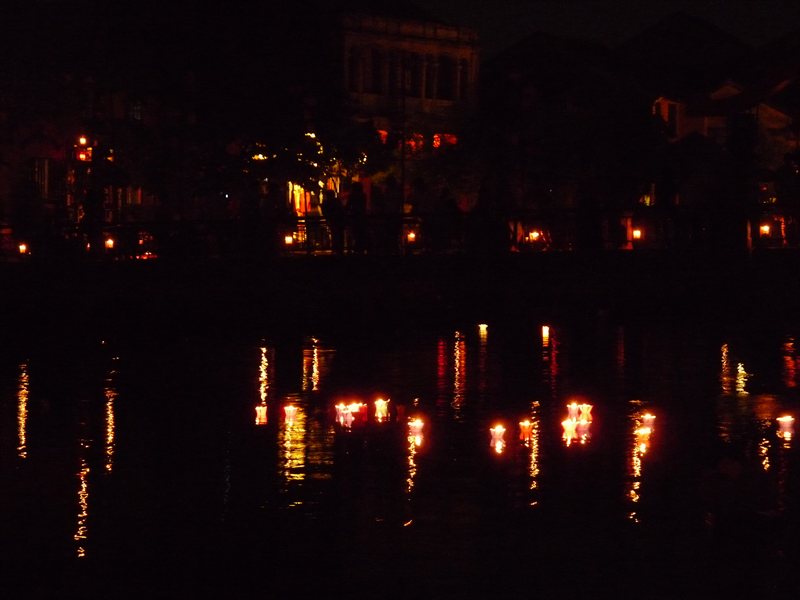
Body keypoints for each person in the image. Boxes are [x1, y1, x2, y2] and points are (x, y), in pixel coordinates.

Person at [321, 189, 345, 254]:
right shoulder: (337, 201)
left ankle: (335, 248)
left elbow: (324, 212)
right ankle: (339, 248)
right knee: (339, 234)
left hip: (333, 220)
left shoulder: (326, 203)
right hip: (338, 220)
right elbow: (341, 210)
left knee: (335, 234)